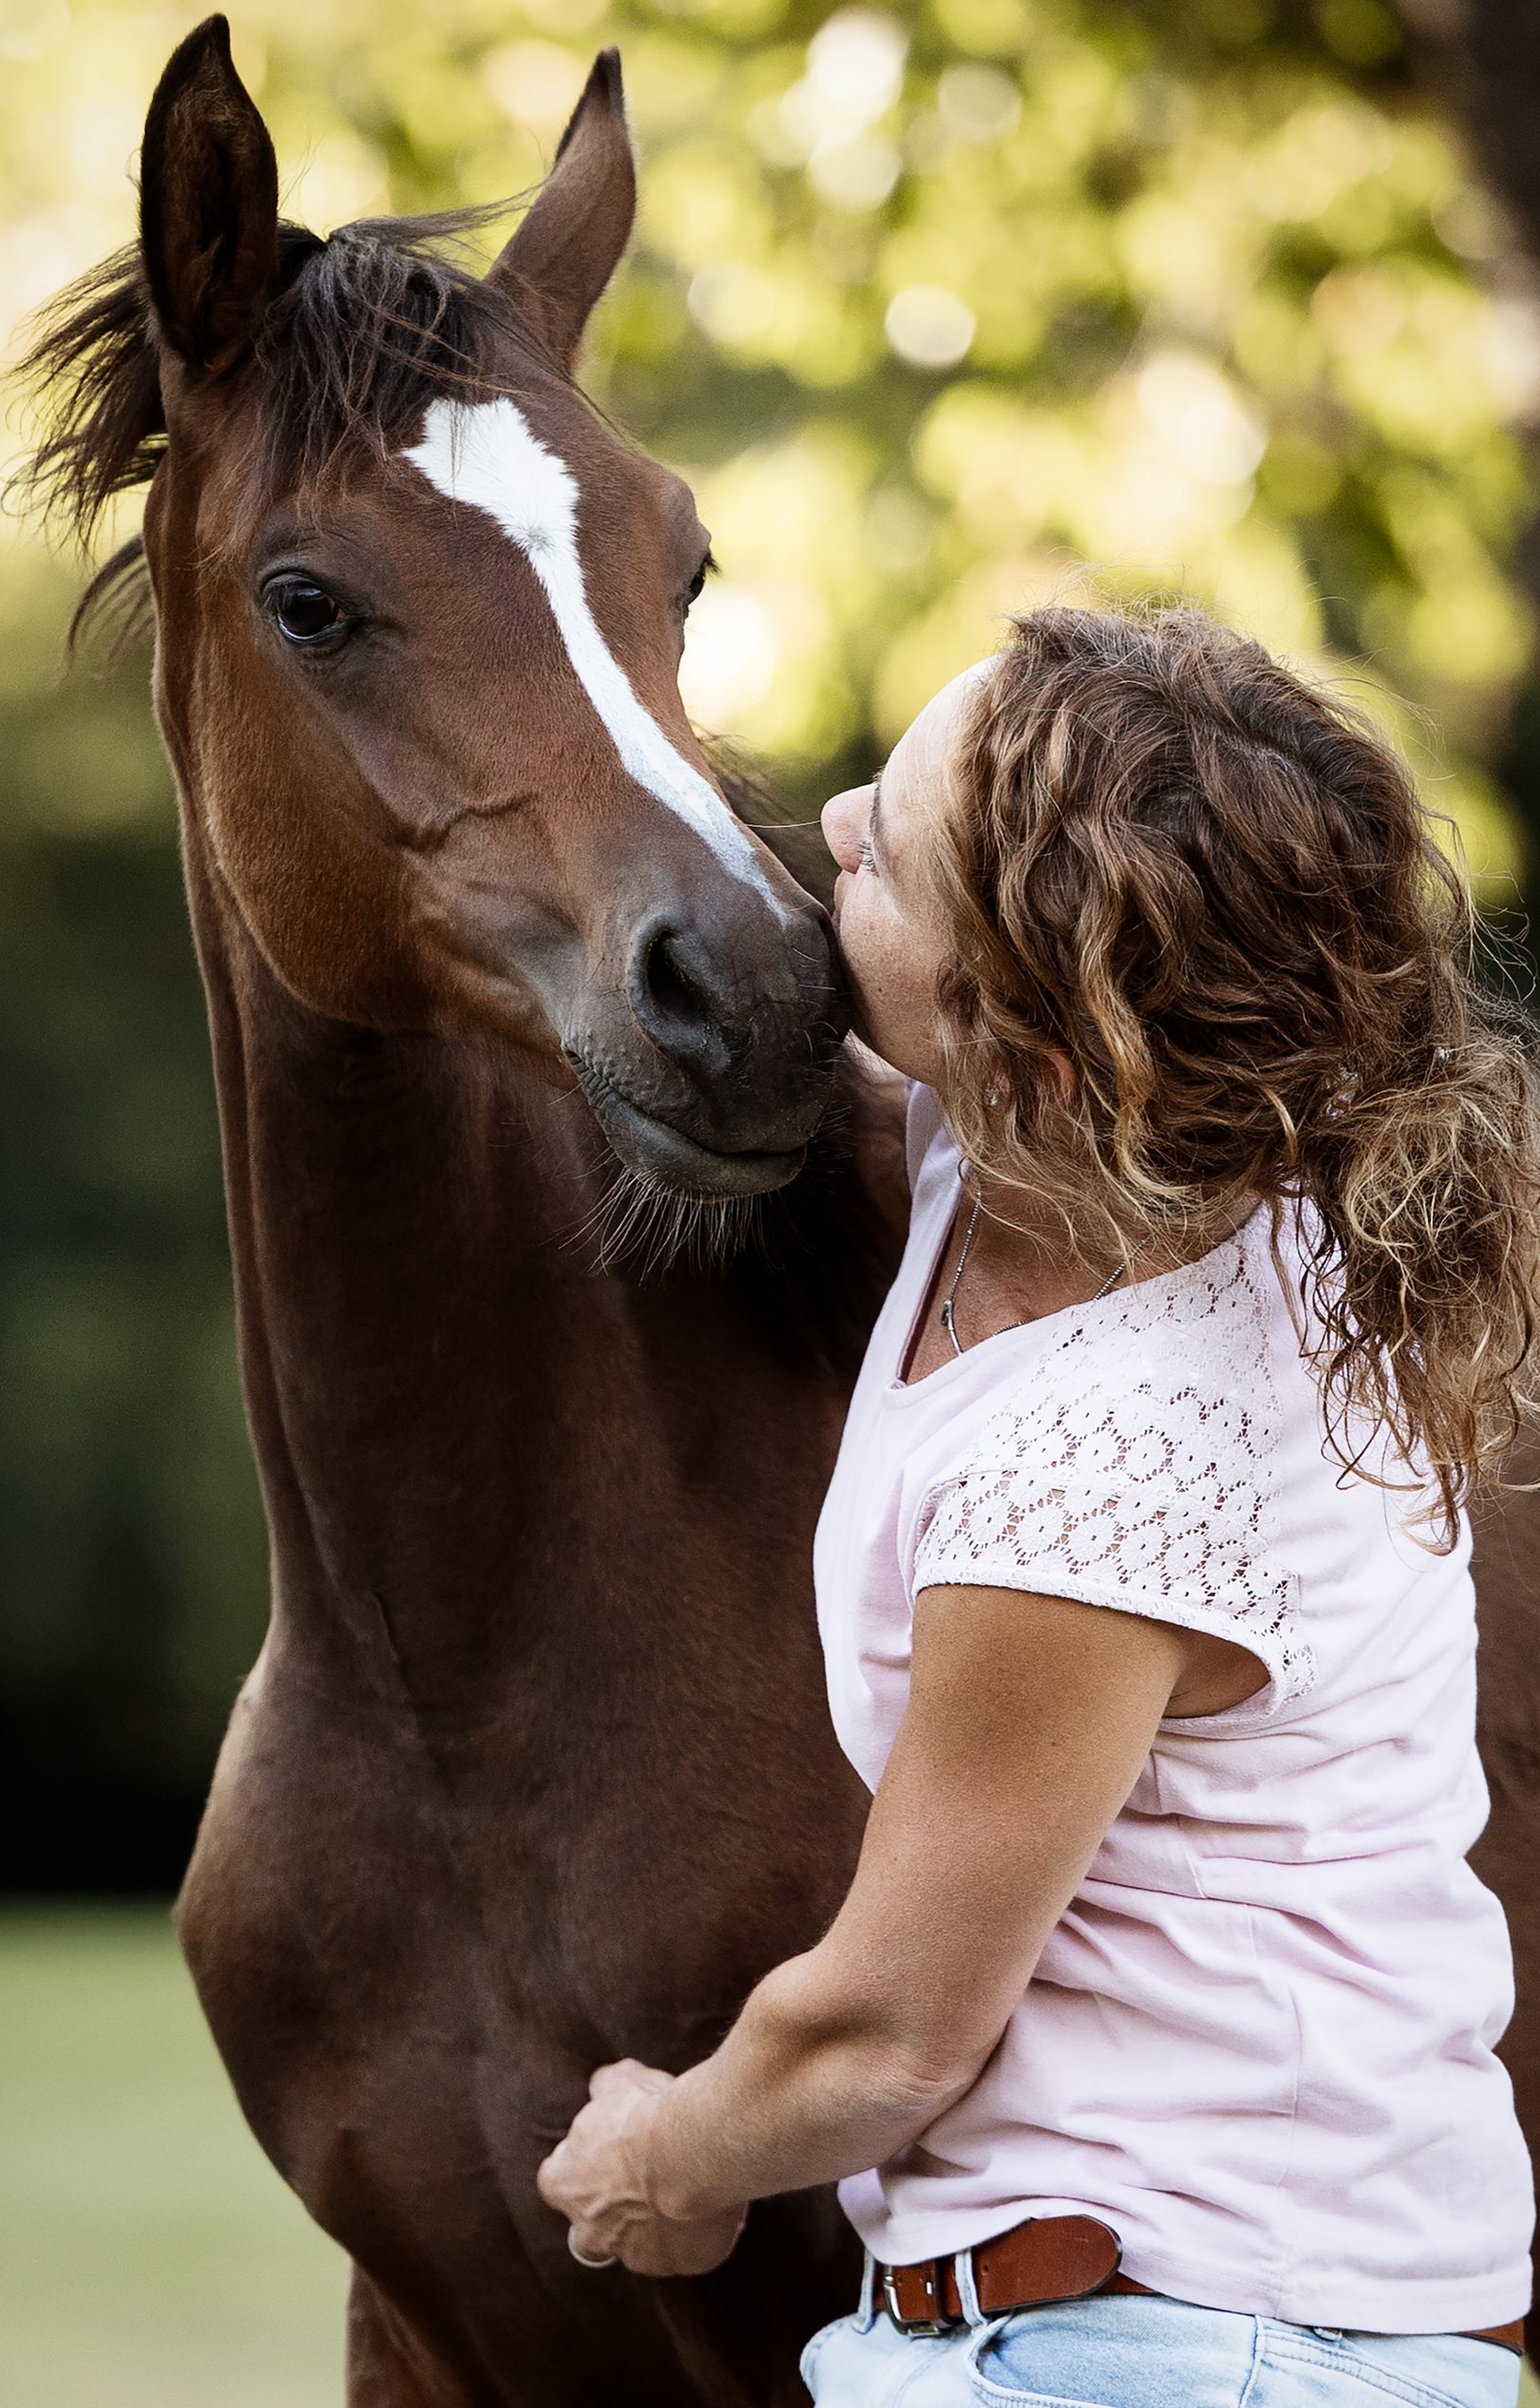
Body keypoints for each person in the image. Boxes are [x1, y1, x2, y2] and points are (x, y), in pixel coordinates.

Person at [537, 605, 1540, 2407]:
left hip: (1181, 2348)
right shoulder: (1100, 1162)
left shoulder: (1110, 1464)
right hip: (1137, 2325)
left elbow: (884, 2034)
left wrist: (661, 2155)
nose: (835, 819)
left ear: (1033, 1052)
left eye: (888, 857)